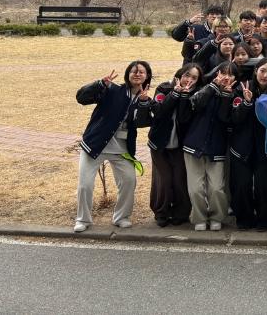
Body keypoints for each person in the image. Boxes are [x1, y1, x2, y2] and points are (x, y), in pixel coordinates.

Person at [74, 61, 152, 232]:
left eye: (141, 72)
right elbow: (81, 98)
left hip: (122, 149)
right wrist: (99, 84)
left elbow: (143, 123)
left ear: (147, 76)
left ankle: (121, 217)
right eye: (133, 71)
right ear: (127, 74)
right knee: (85, 185)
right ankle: (83, 219)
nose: (137, 74)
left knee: (129, 181)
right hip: (95, 145)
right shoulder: (112, 90)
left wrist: (144, 104)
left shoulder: (145, 99)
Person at [136, 63, 201, 227]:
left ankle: (181, 213)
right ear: (179, 75)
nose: (189, 80)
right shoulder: (164, 88)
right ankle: (161, 212)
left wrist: (184, 97)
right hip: (159, 143)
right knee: (163, 180)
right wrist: (175, 94)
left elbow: (184, 119)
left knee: (179, 180)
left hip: (180, 144)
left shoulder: (195, 95)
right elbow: (159, 112)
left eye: (194, 78)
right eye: (187, 75)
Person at [183, 61, 236, 231]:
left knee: (217, 188)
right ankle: (199, 217)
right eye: (223, 72)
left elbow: (224, 118)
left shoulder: (235, 95)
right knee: (195, 188)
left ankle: (216, 217)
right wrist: (212, 87)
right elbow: (195, 105)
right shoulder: (204, 88)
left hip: (217, 147)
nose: (226, 77)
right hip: (194, 145)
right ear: (216, 73)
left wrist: (226, 96)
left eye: (230, 74)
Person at [228, 58, 267, 231]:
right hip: (241, 146)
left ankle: (264, 220)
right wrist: (247, 103)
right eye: (262, 71)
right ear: (256, 70)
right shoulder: (242, 88)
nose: (265, 75)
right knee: (241, 185)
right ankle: (244, 219)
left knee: (263, 185)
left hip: (265, 147)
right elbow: (234, 118)